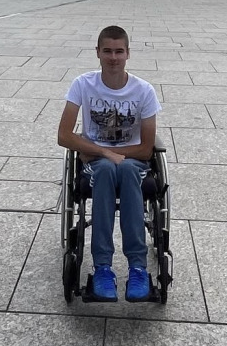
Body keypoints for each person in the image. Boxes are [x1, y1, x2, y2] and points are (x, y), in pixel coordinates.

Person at [57, 25, 161, 302]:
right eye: (107, 51)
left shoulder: (144, 90)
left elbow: (146, 148)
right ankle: (103, 267)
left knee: (126, 169)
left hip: (132, 163)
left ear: (128, 53)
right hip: (99, 165)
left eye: (118, 51)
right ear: (98, 53)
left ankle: (137, 267)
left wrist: (107, 153)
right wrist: (106, 154)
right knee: (104, 171)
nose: (113, 57)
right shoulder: (82, 84)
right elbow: (64, 136)